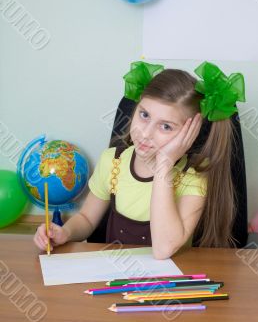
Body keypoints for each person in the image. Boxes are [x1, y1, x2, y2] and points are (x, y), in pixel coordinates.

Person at [33, 61, 245, 259]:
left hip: (167, 287)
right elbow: (87, 219)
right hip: (114, 277)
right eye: (144, 115)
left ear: (190, 134)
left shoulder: (193, 178)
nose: (146, 133)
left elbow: (163, 249)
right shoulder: (112, 162)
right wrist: (65, 232)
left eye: (166, 126)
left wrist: (164, 166)